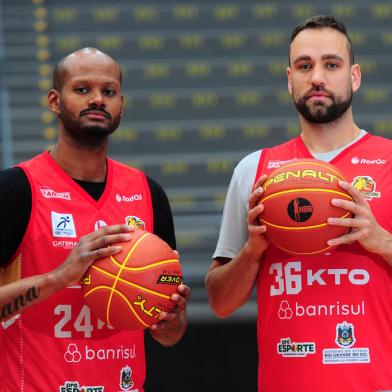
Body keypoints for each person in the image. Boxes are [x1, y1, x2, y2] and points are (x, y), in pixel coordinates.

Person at [206, 15, 392, 391]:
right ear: (290, 79)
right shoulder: (254, 171)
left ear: (354, 76)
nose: (317, 77)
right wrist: (252, 253)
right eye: (304, 66)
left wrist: (381, 240)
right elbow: (220, 303)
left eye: (331, 64)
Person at [0, 47, 190, 392]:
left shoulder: (148, 193)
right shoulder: (15, 189)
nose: (98, 100)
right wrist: (60, 277)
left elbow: (169, 336)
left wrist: (170, 321)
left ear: (121, 104)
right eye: (83, 89)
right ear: (55, 101)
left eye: (109, 91)